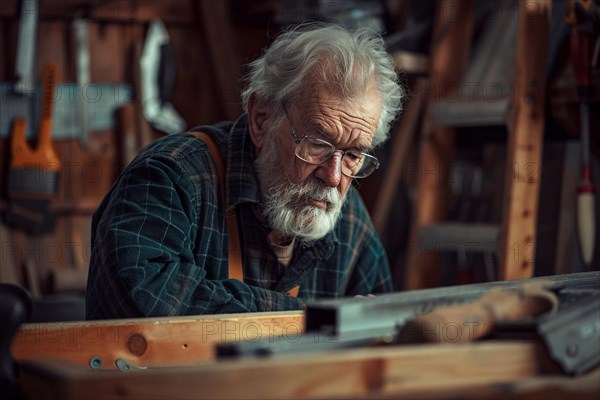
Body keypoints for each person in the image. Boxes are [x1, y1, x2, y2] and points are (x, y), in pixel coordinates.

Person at [86, 23, 404, 319]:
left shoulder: (350, 222)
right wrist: (310, 318)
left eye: (353, 155)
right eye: (317, 144)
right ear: (261, 118)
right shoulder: (170, 178)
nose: (333, 177)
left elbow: (380, 338)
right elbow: (141, 300)